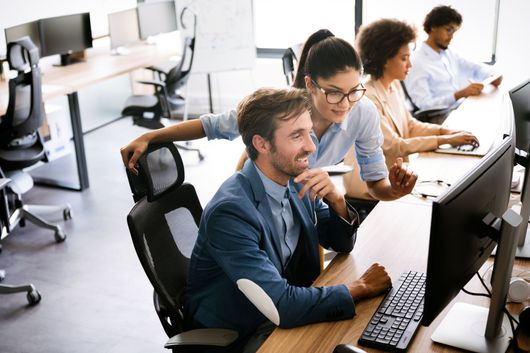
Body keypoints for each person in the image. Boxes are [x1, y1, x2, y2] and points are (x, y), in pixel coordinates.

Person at [183, 87, 392, 352]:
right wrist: (360, 287)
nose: (311, 146)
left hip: (280, 314)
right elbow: (282, 304)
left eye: (309, 132)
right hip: (245, 331)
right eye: (297, 135)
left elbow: (340, 242)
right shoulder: (231, 212)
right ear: (262, 144)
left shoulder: (294, 180)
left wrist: (336, 200)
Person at [121, 29, 417, 203]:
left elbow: (376, 185)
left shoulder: (362, 112)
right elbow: (209, 126)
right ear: (310, 84)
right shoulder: (278, 108)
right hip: (258, 190)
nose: (345, 103)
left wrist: (397, 190)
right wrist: (151, 135)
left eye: (354, 90)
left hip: (301, 199)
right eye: (334, 92)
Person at [343, 19, 479, 202]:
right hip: (370, 188)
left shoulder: (393, 86)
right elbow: (394, 146)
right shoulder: (367, 98)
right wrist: (445, 140)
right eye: (404, 58)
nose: (410, 65)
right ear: (384, 59)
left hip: (394, 179)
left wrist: (444, 131)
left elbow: (410, 124)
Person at [403, 5, 502, 112]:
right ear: (433, 27)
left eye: (454, 32)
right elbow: (424, 105)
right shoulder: (417, 61)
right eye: (448, 30)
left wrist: (492, 76)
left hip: (457, 109)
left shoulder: (449, 54)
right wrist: (459, 94)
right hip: (438, 117)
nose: (451, 36)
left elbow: (476, 68)